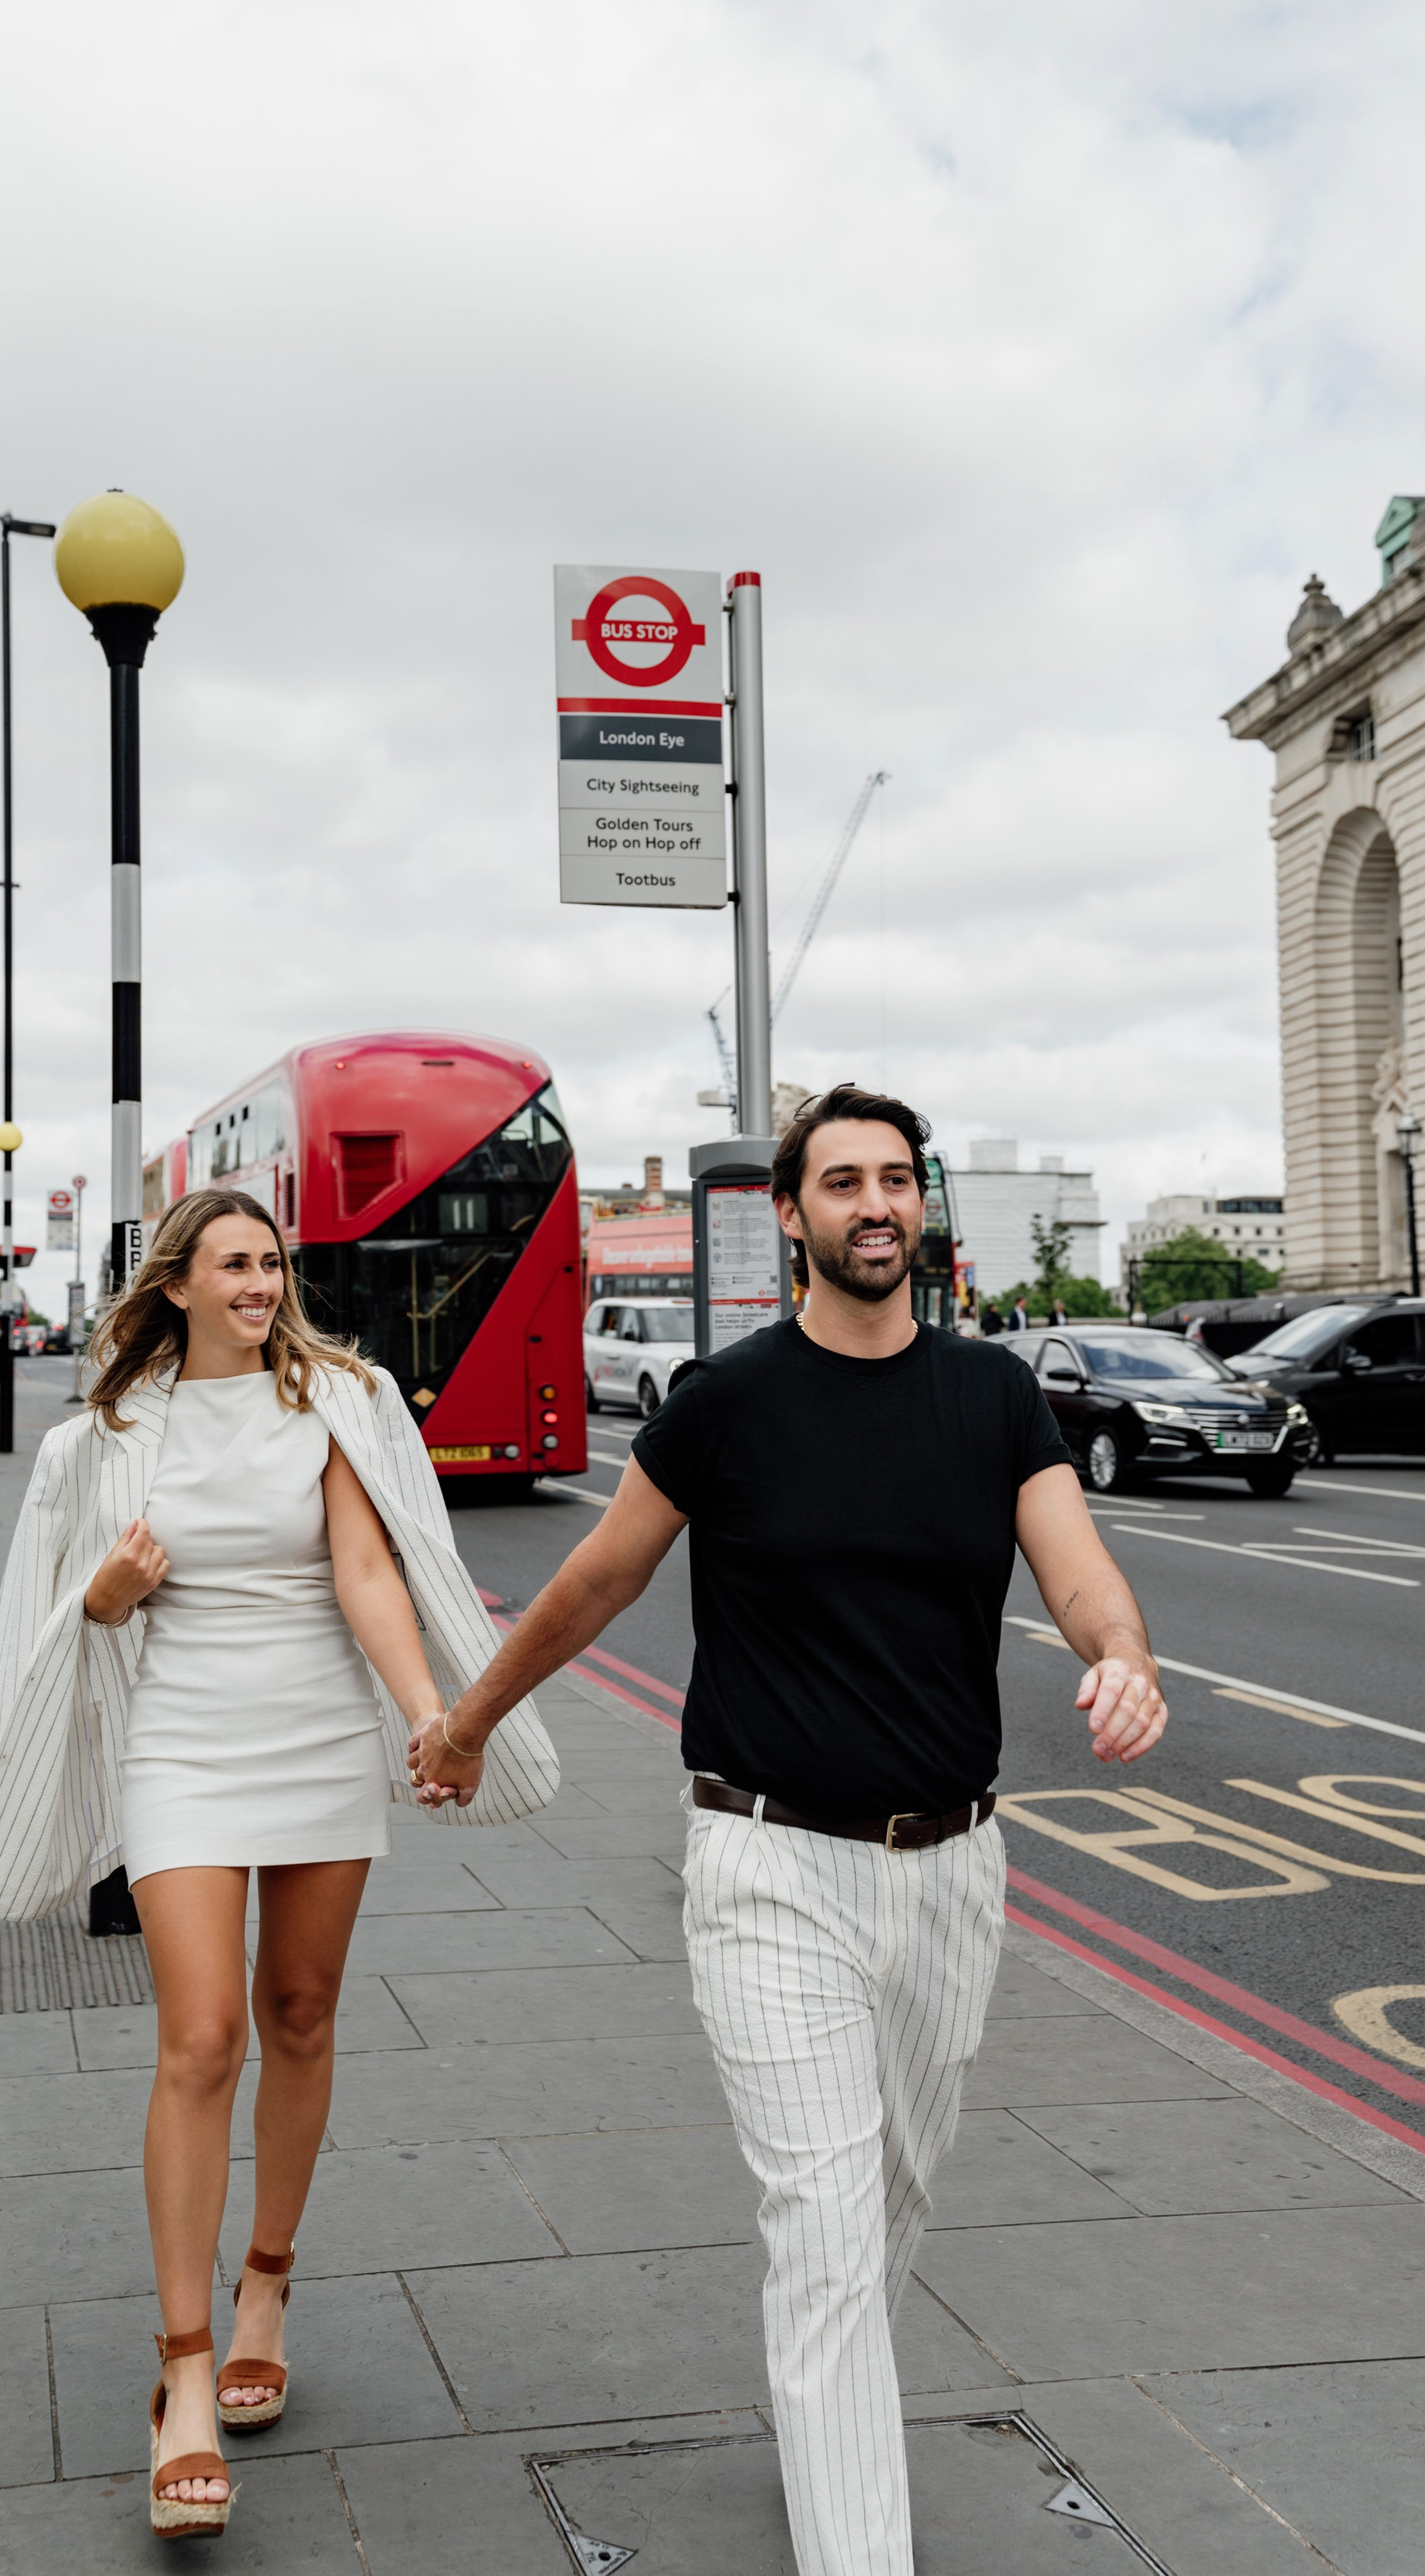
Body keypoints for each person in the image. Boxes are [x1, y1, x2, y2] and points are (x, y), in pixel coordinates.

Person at [410, 1083, 1167, 2576]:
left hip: (951, 1867)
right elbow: (594, 1584)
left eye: (896, 1179)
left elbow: (1075, 1569)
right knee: (821, 2229)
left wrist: (1117, 1653)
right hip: (766, 1865)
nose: (874, 1204)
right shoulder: (728, 1403)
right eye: (843, 1182)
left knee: (882, 2208)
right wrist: (470, 1712)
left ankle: (818, 2417)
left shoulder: (991, 1397)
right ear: (793, 1212)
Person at [0, 1189, 558, 2541]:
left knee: (299, 2011)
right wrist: (102, 1599)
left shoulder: (336, 1398)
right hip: (179, 1740)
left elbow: (365, 1571)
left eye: (272, 1260)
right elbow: (72, 1598)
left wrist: (427, 1710)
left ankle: (267, 2285)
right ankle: (179, 2377)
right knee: (202, 2036)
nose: (260, 1281)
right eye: (234, 1263)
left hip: (318, 1733)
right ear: (174, 1283)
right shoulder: (112, 1431)